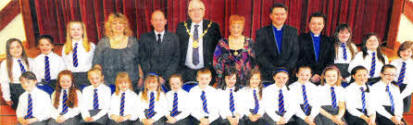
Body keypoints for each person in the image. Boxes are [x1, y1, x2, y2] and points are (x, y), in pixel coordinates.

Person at [176, 0, 222, 82]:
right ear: (189, 13)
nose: (196, 12)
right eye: (192, 10)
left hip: (206, 72)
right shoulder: (181, 27)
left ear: (204, 11)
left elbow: (218, 51)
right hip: (185, 72)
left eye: (199, 9)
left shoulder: (213, 27)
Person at [93, 13, 141, 89]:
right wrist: (99, 78)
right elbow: (97, 63)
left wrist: (141, 78)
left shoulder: (133, 42)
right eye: (114, 23)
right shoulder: (103, 43)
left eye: (120, 23)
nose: (118, 26)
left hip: (130, 83)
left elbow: (139, 61)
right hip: (108, 84)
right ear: (110, 26)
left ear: (125, 25)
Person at [254, 3, 299, 81]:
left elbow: (295, 53)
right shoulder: (262, 32)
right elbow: (260, 55)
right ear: (271, 16)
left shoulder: (293, 31)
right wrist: (274, 70)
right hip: (268, 74)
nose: (279, 17)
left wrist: (284, 70)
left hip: (287, 75)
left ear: (286, 15)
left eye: (282, 14)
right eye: (276, 14)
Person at [213, 15, 256, 87]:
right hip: (226, 82)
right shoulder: (222, 43)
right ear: (229, 27)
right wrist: (221, 77)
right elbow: (216, 62)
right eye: (233, 26)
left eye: (238, 27)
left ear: (242, 28)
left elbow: (255, 63)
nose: (235, 29)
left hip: (245, 82)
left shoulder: (249, 42)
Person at [139, 10, 180, 85]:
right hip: (150, 79)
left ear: (165, 21)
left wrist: (164, 77)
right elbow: (143, 59)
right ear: (151, 22)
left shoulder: (174, 38)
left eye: (161, 20)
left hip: (168, 80)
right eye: (155, 20)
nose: (158, 22)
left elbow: (175, 60)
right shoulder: (144, 38)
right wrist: (152, 77)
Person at [297, 12, 334, 84]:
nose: (316, 26)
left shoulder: (328, 40)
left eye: (319, 24)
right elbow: (299, 60)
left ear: (323, 25)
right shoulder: (300, 39)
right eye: (313, 23)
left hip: (323, 78)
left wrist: (321, 74)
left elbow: (330, 61)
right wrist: (311, 74)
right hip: (305, 77)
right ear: (309, 24)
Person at [0, 38, 32, 109]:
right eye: (12, 48)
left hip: (31, 87)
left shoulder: (30, 60)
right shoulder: (5, 64)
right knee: (24, 110)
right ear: (8, 50)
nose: (15, 50)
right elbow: (4, 82)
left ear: (22, 48)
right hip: (16, 90)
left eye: (18, 47)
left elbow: (36, 76)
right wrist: (7, 97)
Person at [62, 21, 96, 88]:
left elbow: (94, 62)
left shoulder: (91, 46)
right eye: (73, 29)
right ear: (69, 32)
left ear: (83, 31)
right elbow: (64, 63)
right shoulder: (65, 47)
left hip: (86, 76)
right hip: (71, 76)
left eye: (78, 29)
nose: (75, 32)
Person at [390, 41, 413, 113]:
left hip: (405, 90)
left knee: (402, 112)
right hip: (394, 86)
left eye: (409, 51)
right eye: (403, 50)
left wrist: (400, 97)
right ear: (399, 51)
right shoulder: (394, 62)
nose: (405, 53)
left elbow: (410, 86)